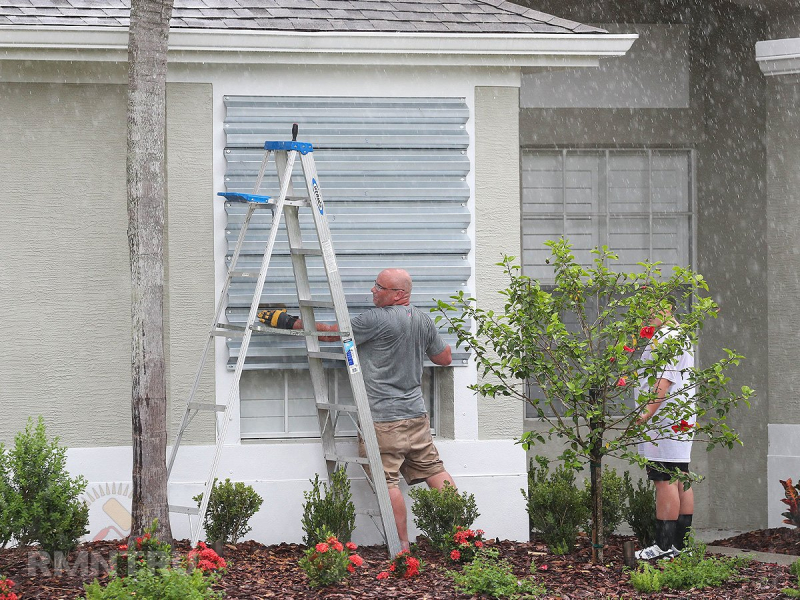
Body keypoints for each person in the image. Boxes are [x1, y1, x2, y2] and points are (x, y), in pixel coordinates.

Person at [257, 268, 455, 551]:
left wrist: (288, 321)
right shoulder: (422, 320)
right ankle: (462, 536)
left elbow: (329, 335)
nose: (373, 291)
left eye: (379, 287)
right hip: (416, 417)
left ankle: (401, 548)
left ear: (399, 294)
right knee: (435, 470)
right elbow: (444, 357)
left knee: (388, 483)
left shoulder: (374, 320)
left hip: (382, 421)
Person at [634, 299, 695, 560]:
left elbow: (664, 380)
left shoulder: (666, 338)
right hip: (679, 419)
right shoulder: (680, 335)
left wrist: (646, 412)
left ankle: (663, 547)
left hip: (664, 421)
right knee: (680, 475)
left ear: (667, 310)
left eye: (651, 311)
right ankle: (681, 547)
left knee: (665, 478)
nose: (646, 317)